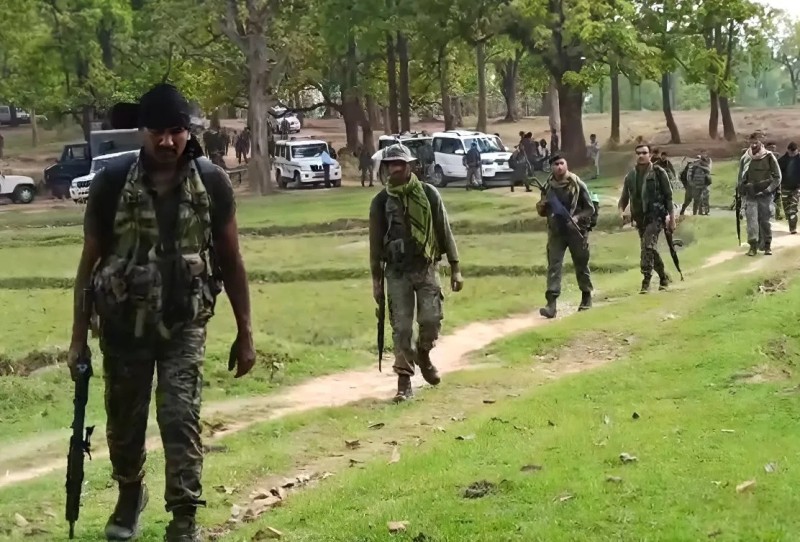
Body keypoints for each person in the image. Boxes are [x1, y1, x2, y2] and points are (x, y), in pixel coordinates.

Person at [67, 83, 255, 542]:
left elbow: (231, 260)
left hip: (184, 323)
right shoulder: (112, 182)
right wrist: (77, 339)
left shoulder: (211, 182)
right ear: (142, 132)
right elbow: (88, 264)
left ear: (188, 132)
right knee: (124, 422)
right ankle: (130, 493)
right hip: (123, 324)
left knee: (180, 416)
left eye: (176, 131)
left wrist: (246, 332)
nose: (168, 141)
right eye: (157, 132)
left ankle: (184, 516)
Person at [368, 144, 463, 402]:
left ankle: (423, 354)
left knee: (431, 320)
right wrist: (376, 282)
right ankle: (404, 382)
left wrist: (455, 268)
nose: (395, 168)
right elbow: (375, 245)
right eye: (391, 164)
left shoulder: (429, 194)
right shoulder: (381, 202)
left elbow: (444, 229)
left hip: (426, 266)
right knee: (401, 328)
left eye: (400, 163)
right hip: (396, 271)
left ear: (410, 166)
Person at [535, 154, 594, 318]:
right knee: (554, 267)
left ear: (566, 164)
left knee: (581, 265)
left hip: (576, 231)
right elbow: (543, 211)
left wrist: (577, 218)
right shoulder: (548, 187)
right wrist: (542, 206)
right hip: (556, 232)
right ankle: (551, 304)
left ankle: (586, 296)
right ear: (551, 167)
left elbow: (590, 209)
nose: (559, 167)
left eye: (562, 163)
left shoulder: (577, 184)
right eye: (556, 164)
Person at [618, 143, 675, 293]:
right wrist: (621, 213)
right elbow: (624, 198)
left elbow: (669, 197)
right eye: (638, 153)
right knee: (650, 249)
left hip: (656, 217)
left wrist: (672, 219)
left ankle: (646, 280)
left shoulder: (659, 172)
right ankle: (663, 277)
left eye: (644, 153)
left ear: (650, 155)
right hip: (640, 219)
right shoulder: (630, 176)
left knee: (647, 246)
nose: (641, 155)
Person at [738, 134, 782, 255]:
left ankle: (767, 246)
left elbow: (777, 177)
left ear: (760, 142)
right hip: (750, 194)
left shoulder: (769, 156)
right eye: (751, 142)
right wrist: (741, 191)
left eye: (756, 142)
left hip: (765, 195)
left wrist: (768, 189)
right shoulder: (745, 157)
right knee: (752, 222)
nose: (753, 145)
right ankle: (753, 246)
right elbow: (741, 177)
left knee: (765, 222)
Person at [777, 142, 800, 234]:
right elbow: (777, 174)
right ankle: (791, 223)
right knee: (787, 208)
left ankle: (793, 228)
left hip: (797, 188)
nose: (793, 154)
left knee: (792, 207)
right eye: (791, 152)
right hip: (785, 187)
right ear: (788, 150)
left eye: (795, 152)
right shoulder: (782, 160)